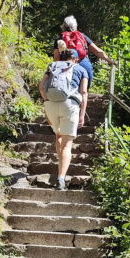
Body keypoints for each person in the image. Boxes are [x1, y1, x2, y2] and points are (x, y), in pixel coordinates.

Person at [38, 42, 88, 189]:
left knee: (58, 135)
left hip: (51, 103)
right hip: (70, 105)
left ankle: (61, 165)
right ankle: (61, 178)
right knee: (67, 143)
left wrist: (46, 100)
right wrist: (82, 114)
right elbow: (84, 92)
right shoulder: (80, 69)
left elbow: (41, 87)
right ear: (76, 59)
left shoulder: (53, 66)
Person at [55, 14, 113, 91]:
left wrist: (57, 69)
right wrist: (110, 61)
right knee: (85, 86)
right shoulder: (81, 36)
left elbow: (56, 57)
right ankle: (84, 97)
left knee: (66, 87)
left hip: (66, 64)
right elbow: (98, 51)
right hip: (83, 63)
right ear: (75, 26)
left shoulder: (60, 38)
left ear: (64, 27)